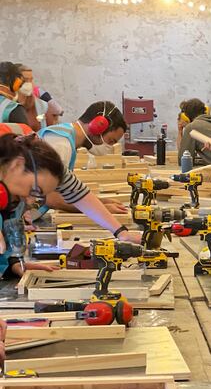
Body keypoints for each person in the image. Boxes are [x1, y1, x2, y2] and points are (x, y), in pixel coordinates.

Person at [38, 101, 139, 240]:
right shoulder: (60, 143)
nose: (109, 147)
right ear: (97, 126)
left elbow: (71, 191)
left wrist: (100, 203)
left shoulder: (66, 139)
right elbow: (53, 199)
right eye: (110, 141)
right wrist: (104, 210)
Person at [0, 126, 65, 276]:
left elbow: (4, 249)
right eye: (33, 190)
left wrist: (13, 264)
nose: (30, 201)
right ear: (17, 165)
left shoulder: (15, 200)